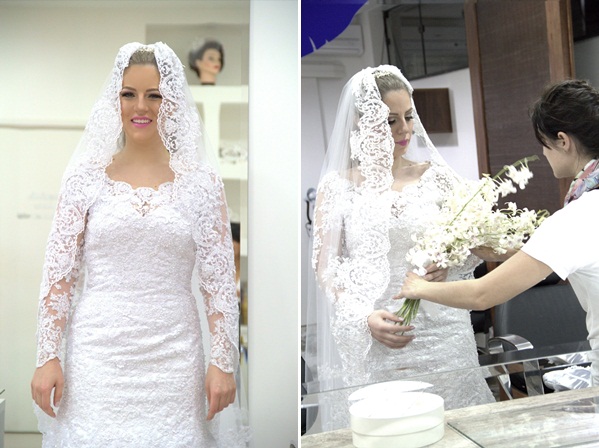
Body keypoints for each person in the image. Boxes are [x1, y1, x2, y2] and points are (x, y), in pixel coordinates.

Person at [30, 42, 249, 447]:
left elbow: (219, 281)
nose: (140, 107)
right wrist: (48, 355)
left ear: (173, 102)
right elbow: (59, 275)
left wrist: (223, 360)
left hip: (174, 356)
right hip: (96, 356)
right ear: (114, 100)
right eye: (129, 94)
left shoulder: (202, 183)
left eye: (155, 95)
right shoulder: (84, 178)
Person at [305, 65, 496, 432]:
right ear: (362, 122)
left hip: (443, 332)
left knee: (457, 428)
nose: (405, 129)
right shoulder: (337, 187)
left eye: (409, 116)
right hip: (380, 334)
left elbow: (474, 244)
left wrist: (451, 262)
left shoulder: (438, 177)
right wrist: (363, 317)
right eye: (391, 120)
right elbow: (326, 268)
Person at [399, 78, 599, 384]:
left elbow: (482, 294)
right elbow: (563, 254)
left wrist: (417, 288)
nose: (543, 153)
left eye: (543, 143)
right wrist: (495, 249)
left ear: (562, 140)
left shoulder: (578, 216)